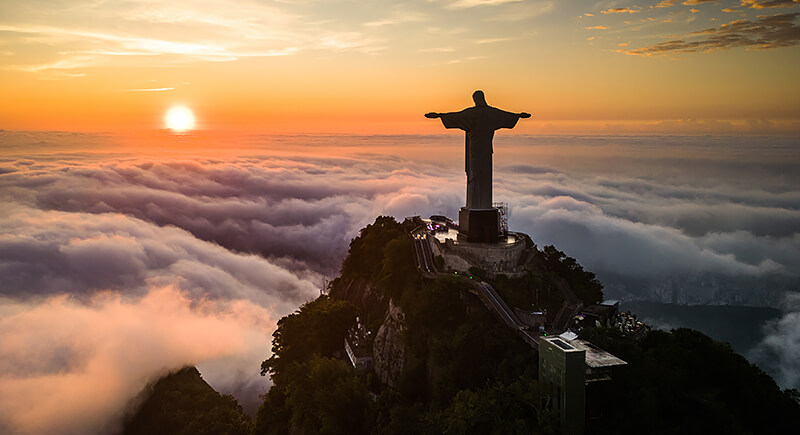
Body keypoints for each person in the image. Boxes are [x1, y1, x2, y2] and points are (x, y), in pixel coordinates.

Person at [426, 90, 530, 209]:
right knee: (483, 175)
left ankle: (476, 204)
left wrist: (439, 115)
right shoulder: (492, 113)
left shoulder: (472, 113)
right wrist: (518, 116)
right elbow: (505, 115)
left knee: (475, 175)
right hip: (486, 150)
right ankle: (482, 204)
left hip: (475, 150)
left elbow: (456, 116)